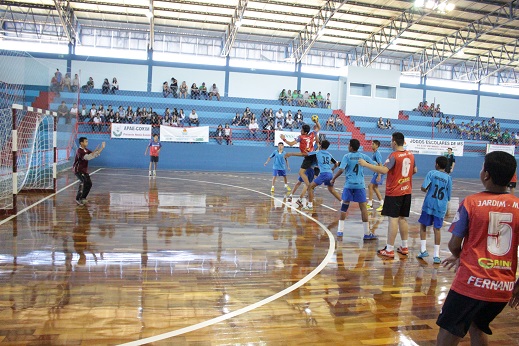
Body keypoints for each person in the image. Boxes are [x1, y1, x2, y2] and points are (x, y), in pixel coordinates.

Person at [436, 151, 519, 345]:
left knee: (446, 335)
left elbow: (454, 245)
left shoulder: (471, 203)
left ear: (486, 175)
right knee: (477, 326)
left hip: (470, 285)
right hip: (502, 289)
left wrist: (460, 256)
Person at [359, 132, 417, 258]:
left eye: (391, 141)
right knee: (403, 218)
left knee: (393, 220)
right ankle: (404, 246)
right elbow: (414, 170)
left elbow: (384, 170)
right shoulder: (411, 155)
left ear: (395, 142)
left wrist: (366, 164)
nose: (391, 143)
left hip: (395, 192)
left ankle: (389, 249)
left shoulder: (394, 155)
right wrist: (404, 178)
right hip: (407, 191)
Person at [331, 139, 377, 240]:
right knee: (363, 208)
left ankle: (340, 231)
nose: (347, 146)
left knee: (344, 207)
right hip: (360, 186)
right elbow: (374, 164)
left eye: (348, 144)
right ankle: (366, 233)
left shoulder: (346, 156)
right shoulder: (363, 156)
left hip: (349, 185)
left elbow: (341, 169)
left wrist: (334, 178)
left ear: (351, 147)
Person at [416, 156, 452, 264]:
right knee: (437, 229)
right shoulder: (448, 178)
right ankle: (436, 255)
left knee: (423, 226)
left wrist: (428, 188)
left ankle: (423, 250)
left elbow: (423, 187)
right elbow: (449, 196)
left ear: (436, 164)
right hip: (441, 206)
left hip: (429, 204)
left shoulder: (431, 173)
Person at [287, 140, 341, 210]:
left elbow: (304, 154)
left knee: (309, 186)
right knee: (330, 190)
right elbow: (336, 163)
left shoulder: (317, 153)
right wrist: (333, 169)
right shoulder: (328, 154)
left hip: (317, 171)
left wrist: (291, 153)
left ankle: (307, 203)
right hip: (325, 172)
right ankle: (342, 202)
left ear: (321, 145)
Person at [280, 118, 321, 203]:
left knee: (301, 173)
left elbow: (291, 144)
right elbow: (319, 127)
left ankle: (309, 186)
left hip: (308, 157)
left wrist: (284, 139)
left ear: (305, 132)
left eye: (301, 130)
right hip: (313, 156)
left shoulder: (301, 137)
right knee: (302, 176)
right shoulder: (312, 134)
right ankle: (307, 187)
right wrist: (316, 121)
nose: (300, 131)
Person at [73, 137, 105, 205]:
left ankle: (83, 198)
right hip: (78, 170)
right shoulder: (79, 151)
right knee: (83, 182)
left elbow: (95, 154)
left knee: (89, 184)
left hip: (84, 170)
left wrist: (102, 148)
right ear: (81, 143)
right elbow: (88, 157)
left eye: (87, 141)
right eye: (86, 141)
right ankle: (78, 198)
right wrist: (93, 154)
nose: (87, 143)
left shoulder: (86, 150)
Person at [367, 140, 384, 212]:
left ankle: (370, 204)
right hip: (376, 172)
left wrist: (379, 175)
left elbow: (380, 164)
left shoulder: (377, 153)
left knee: (370, 186)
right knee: (375, 188)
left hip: (378, 172)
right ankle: (382, 204)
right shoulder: (374, 153)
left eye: (373, 144)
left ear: (377, 145)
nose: (371, 145)